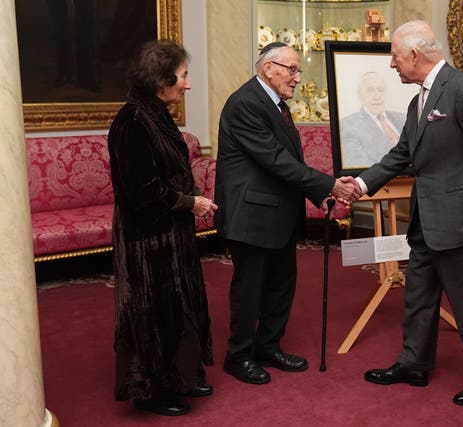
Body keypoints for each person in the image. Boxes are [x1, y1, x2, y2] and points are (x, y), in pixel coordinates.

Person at [353, 20, 463, 406]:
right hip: (426, 220)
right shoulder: (418, 100)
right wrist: (361, 185)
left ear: (414, 55)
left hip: (460, 220)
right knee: (419, 296)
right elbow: (402, 154)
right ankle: (414, 364)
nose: (391, 65)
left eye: (395, 57)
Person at [215, 41, 360, 385]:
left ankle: (268, 346)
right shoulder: (245, 104)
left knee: (281, 285)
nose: (298, 77)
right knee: (249, 290)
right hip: (251, 216)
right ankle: (238, 357)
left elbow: (289, 163)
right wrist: (330, 186)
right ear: (269, 68)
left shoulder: (276, 103)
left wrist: (317, 195)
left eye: (298, 70)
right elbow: (276, 161)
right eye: (292, 69)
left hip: (278, 213)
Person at [108, 39, 217, 416]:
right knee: (152, 310)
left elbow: (170, 171)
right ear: (161, 79)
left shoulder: (156, 112)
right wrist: (192, 203)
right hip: (146, 237)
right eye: (184, 76)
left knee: (179, 303)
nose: (187, 84)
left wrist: (190, 196)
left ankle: (180, 377)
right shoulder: (132, 121)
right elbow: (143, 191)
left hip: (170, 233)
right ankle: (152, 390)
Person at [340, 71, 406, 168]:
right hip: (384, 181)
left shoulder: (403, 118)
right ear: (359, 95)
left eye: (380, 90)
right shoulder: (348, 125)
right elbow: (357, 163)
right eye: (370, 90)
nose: (377, 96)